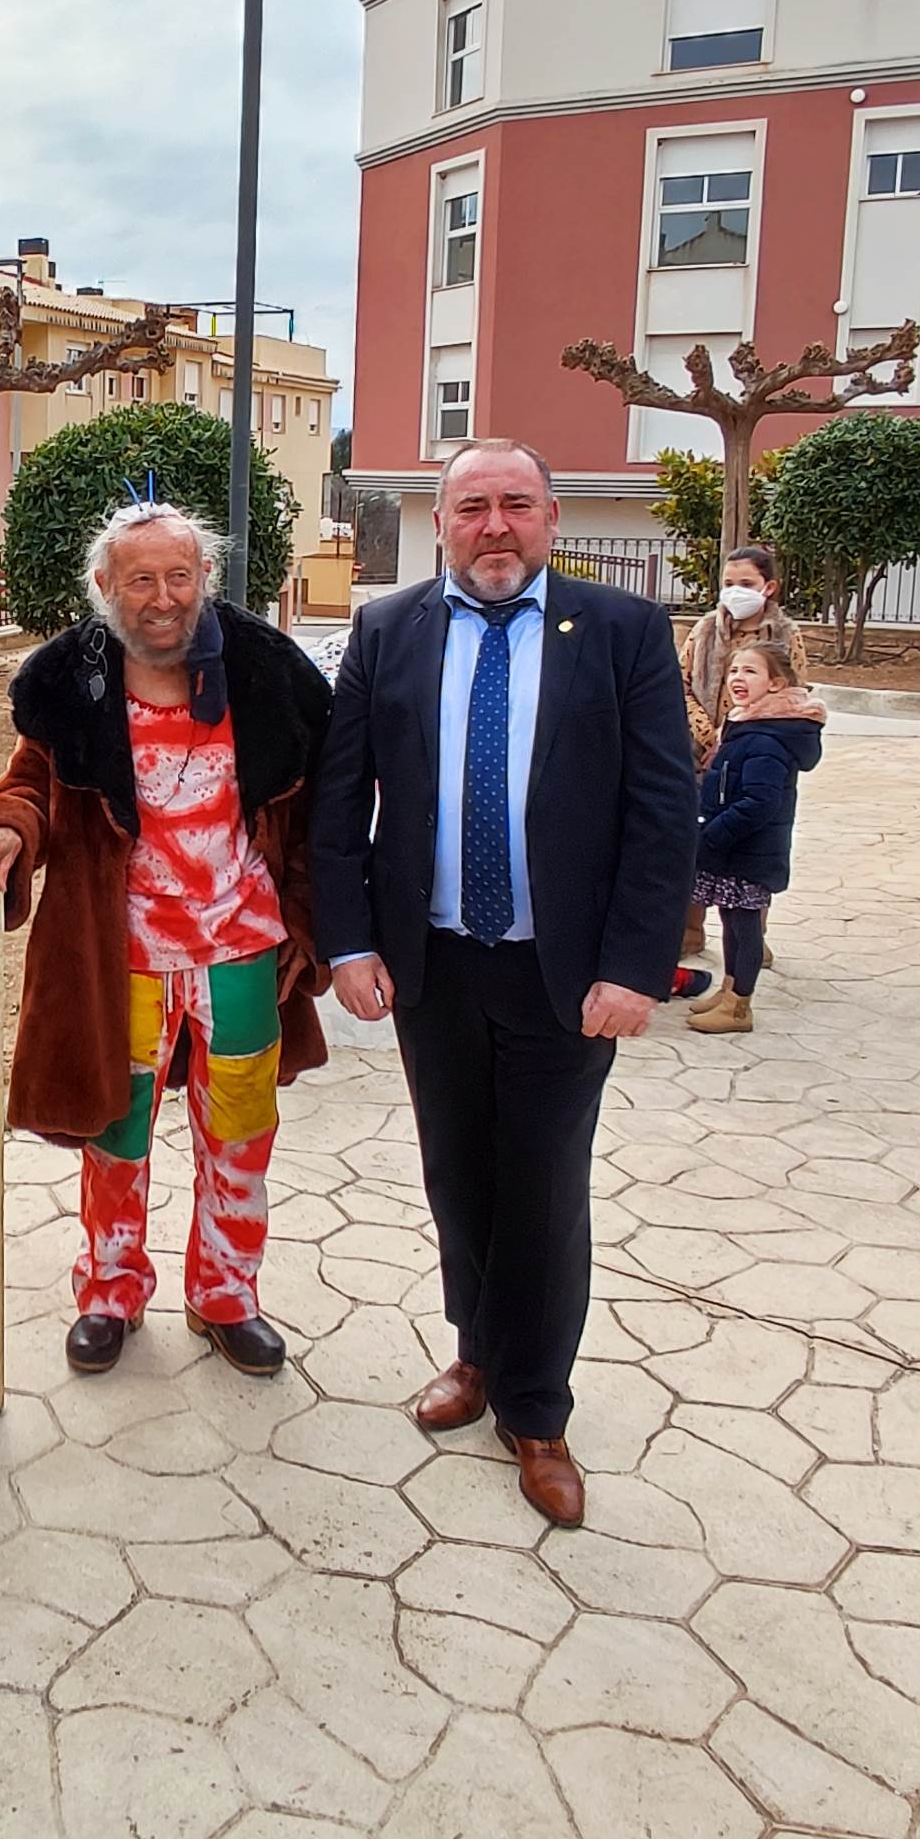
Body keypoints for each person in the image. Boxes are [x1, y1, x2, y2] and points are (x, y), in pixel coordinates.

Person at [311, 440, 697, 1527]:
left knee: (540, 1185)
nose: (493, 525)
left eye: (514, 504)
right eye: (471, 506)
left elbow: (662, 811)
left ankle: (536, 1406)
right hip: (430, 963)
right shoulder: (388, 630)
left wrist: (634, 964)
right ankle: (475, 1352)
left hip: (561, 976)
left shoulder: (620, 630)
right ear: (439, 522)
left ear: (551, 516)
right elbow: (341, 803)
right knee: (455, 1172)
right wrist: (347, 943)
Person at [0, 502, 332, 1376]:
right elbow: (28, 782)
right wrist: (7, 831)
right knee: (118, 1137)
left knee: (239, 1134)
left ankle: (226, 1294)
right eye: (140, 578)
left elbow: (308, 815)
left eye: (178, 576)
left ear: (204, 580)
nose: (161, 596)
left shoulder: (265, 676)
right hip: (120, 962)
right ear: (105, 586)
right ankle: (110, 1290)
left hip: (240, 953)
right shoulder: (70, 684)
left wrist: (307, 921)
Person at [687, 639, 827, 1036]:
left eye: (750, 671)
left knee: (745, 926)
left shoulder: (769, 738)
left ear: (777, 684)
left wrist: (711, 835)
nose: (737, 678)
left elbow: (758, 803)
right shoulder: (747, 725)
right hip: (732, 849)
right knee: (731, 922)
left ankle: (738, 1007)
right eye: (733, 671)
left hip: (749, 852)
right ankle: (729, 988)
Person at [678, 545, 794, 961]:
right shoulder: (705, 630)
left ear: (769, 587)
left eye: (745, 584)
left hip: (756, 753)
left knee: (750, 848)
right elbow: (684, 684)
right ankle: (690, 930)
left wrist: (735, 741)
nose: (734, 592)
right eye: (728, 584)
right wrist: (709, 737)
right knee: (697, 841)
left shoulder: (783, 635)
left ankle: (749, 937)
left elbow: (792, 692)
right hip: (700, 755)